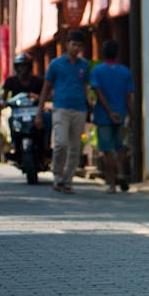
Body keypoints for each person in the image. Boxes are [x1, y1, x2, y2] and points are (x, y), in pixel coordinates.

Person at [35, 30, 91, 195]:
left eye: (79, 46)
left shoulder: (84, 65)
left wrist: (88, 107)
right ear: (67, 45)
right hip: (60, 108)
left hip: (79, 109)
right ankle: (58, 177)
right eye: (73, 44)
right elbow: (46, 88)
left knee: (75, 148)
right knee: (61, 144)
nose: (76, 48)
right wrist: (40, 111)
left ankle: (67, 181)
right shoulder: (56, 64)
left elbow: (85, 86)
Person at [90, 40, 135, 193]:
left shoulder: (98, 71)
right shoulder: (125, 71)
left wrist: (109, 111)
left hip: (104, 116)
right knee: (119, 147)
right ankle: (122, 174)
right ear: (117, 53)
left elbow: (98, 92)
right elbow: (128, 96)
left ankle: (111, 183)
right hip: (121, 114)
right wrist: (131, 115)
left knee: (107, 150)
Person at [1, 53, 51, 163]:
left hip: (36, 114)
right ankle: (14, 145)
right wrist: (3, 103)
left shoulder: (38, 80)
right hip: (18, 115)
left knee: (47, 118)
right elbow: (3, 98)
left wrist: (39, 98)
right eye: (19, 66)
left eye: (24, 66)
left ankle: (46, 145)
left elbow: (47, 94)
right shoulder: (11, 81)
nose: (22, 68)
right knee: (10, 120)